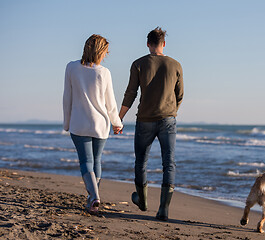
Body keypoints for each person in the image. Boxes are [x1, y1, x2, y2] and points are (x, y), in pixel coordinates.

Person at [119, 27, 184, 221]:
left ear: (148, 43)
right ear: (164, 44)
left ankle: (143, 200)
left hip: (145, 120)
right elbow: (179, 95)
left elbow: (131, 93)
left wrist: (119, 117)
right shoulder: (175, 65)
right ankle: (163, 209)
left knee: (141, 161)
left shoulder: (138, 64)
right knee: (168, 163)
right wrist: (171, 112)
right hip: (168, 120)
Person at [63, 34, 123, 214]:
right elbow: (110, 102)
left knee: (86, 161)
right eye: (105, 52)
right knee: (96, 160)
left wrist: (66, 123)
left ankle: (94, 197)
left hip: (79, 123)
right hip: (100, 124)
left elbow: (67, 98)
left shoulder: (71, 67)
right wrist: (116, 122)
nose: (106, 55)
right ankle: (93, 197)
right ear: (99, 51)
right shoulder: (104, 72)